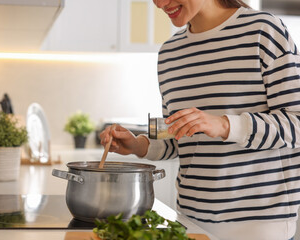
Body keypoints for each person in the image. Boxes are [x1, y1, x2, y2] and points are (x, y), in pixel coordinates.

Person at [100, 0, 300, 239]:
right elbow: (177, 136)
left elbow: (296, 124)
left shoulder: (264, 31)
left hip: (259, 225)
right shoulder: (169, 53)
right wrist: (138, 145)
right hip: (191, 221)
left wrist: (225, 125)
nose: (160, 3)